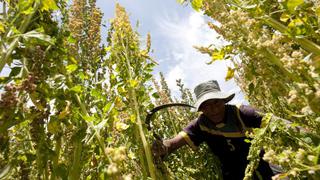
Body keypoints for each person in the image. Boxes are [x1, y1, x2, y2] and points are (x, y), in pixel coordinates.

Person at [152, 80, 275, 180]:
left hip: (265, 164)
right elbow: (173, 143)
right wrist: (163, 146)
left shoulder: (243, 113)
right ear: (201, 109)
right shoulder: (200, 125)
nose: (213, 109)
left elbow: (279, 125)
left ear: (224, 101)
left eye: (216, 102)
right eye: (206, 105)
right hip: (233, 173)